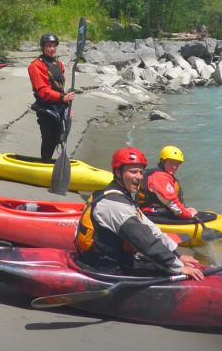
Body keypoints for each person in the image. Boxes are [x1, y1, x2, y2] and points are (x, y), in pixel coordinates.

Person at [74, 146, 203, 279]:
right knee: (163, 269)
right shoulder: (115, 205)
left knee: (158, 262)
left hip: (110, 260)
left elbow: (149, 228)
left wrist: (176, 255)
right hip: (107, 268)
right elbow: (144, 241)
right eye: (133, 172)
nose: (139, 177)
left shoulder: (118, 195)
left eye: (141, 172)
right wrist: (178, 267)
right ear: (118, 173)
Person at [27, 32, 74, 161]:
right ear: (43, 47)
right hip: (45, 107)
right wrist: (62, 98)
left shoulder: (59, 65)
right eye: (49, 46)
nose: (52, 49)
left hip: (59, 106)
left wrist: (67, 105)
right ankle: (45, 161)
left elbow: (60, 87)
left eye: (54, 46)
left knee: (58, 136)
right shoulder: (35, 66)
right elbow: (42, 90)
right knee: (49, 137)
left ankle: (48, 161)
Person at [136, 145, 198, 221]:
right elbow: (171, 201)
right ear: (163, 161)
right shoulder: (159, 177)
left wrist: (185, 209)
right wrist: (188, 214)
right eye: (171, 163)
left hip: (156, 211)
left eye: (177, 164)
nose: (174, 167)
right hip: (151, 215)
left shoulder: (160, 174)